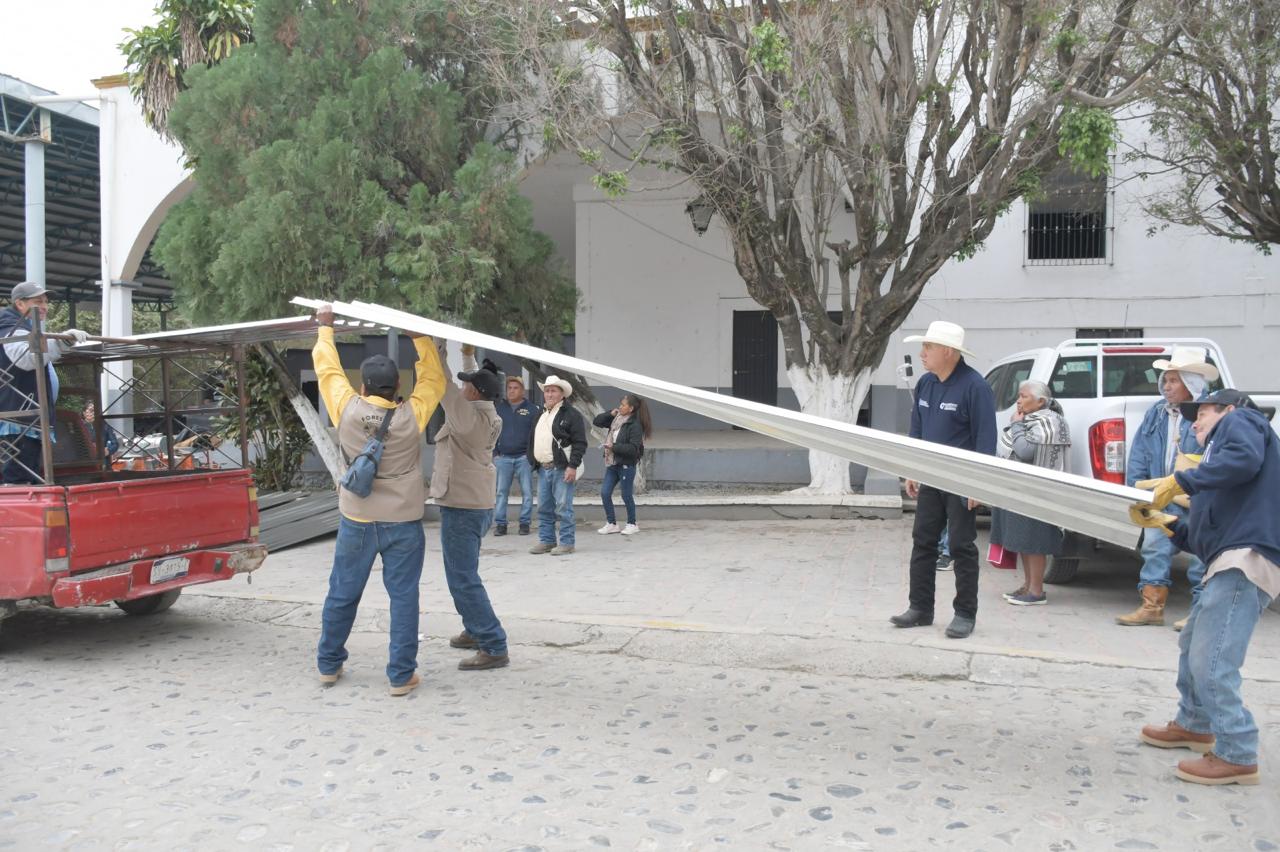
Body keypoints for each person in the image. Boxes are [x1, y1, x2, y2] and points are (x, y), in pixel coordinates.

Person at [1132, 389, 1279, 786]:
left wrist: (1179, 479)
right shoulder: (1219, 468)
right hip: (1228, 558)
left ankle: (1237, 751)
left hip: (1245, 559)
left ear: (1228, 409)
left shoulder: (1241, 421)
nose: (1194, 421)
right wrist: (1167, 523)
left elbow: (1243, 460)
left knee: (1211, 657)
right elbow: (1203, 539)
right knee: (1193, 644)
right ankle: (1195, 723)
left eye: (1202, 413)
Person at [311, 304, 446, 696]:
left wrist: (325, 328)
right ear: (397, 384)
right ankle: (401, 675)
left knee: (343, 591)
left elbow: (327, 370)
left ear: (363, 386)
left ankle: (328, 665)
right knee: (403, 597)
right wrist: (419, 337)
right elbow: (433, 379)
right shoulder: (412, 415)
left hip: (357, 518)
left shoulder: (346, 408)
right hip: (403, 520)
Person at [891, 321, 997, 639]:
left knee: (961, 546)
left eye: (928, 347)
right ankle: (920, 608)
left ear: (948, 352)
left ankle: (965, 613)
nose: (922, 353)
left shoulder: (975, 387)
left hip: (961, 481)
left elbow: (986, 439)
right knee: (923, 542)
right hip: (930, 478)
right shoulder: (926, 383)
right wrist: (912, 470)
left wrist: (978, 485)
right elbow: (917, 431)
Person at [1117, 346, 1216, 629]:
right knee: (1154, 548)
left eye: (1174, 380)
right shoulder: (1157, 412)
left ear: (1191, 383)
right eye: (1166, 380)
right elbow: (1140, 450)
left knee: (1200, 556)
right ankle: (1152, 607)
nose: (1166, 386)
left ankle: (1200, 614)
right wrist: (1137, 489)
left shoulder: (1208, 413)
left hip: (1197, 498)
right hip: (1161, 494)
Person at [431, 355, 510, 671]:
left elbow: (443, 384)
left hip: (462, 507)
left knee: (462, 578)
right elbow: (468, 381)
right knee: (464, 573)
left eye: (467, 385)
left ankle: (493, 643)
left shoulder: (467, 418)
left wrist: (431, 347)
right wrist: (466, 353)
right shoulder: (486, 412)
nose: (462, 388)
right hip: (474, 503)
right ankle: (475, 627)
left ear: (475, 392)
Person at [989, 380, 1071, 606]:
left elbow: (1025, 451)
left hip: (1039, 492)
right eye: (1018, 395)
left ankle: (1036, 591)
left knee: (1035, 542)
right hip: (1020, 490)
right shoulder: (1029, 420)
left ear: (1041, 401)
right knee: (1024, 542)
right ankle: (1028, 586)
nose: (1018, 401)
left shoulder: (1051, 422)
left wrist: (1016, 426)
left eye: (1024, 396)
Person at [0, 281, 89, 484]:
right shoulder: (11, 327)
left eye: (45, 302)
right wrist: (61, 341)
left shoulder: (22, 327)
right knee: (19, 477)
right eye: (38, 301)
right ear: (20, 304)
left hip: (28, 418)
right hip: (19, 419)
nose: (44, 306)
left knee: (26, 474)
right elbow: (25, 358)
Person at [527, 375, 587, 556]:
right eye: (547, 390)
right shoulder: (541, 413)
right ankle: (547, 540)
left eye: (553, 390)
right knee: (544, 507)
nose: (549, 394)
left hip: (561, 467)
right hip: (543, 467)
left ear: (562, 394)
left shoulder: (572, 414)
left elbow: (580, 443)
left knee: (563, 507)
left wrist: (572, 466)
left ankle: (567, 542)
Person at [594, 393, 652, 536]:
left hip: (626, 465)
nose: (620, 407)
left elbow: (633, 449)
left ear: (631, 408)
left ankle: (632, 523)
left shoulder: (634, 425)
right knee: (605, 493)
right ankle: (611, 523)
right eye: (620, 404)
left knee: (626, 495)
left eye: (623, 405)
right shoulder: (616, 420)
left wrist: (613, 447)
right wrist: (610, 414)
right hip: (612, 463)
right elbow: (597, 421)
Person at [493, 374, 540, 536]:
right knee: (501, 493)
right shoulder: (499, 409)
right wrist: (495, 453)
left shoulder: (532, 410)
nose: (511, 391)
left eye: (515, 388)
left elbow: (536, 435)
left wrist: (531, 455)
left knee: (527, 492)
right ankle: (501, 524)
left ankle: (524, 523)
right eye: (509, 388)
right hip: (503, 458)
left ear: (523, 391)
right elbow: (492, 432)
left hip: (524, 458)